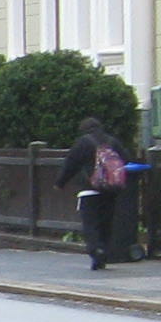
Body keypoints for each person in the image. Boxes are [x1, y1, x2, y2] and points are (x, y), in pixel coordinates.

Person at [59, 115, 131, 269]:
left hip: (89, 190)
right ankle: (103, 251)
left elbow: (70, 164)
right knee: (106, 223)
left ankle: (96, 250)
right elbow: (125, 159)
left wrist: (60, 183)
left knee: (90, 224)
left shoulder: (83, 143)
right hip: (110, 191)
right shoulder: (112, 142)